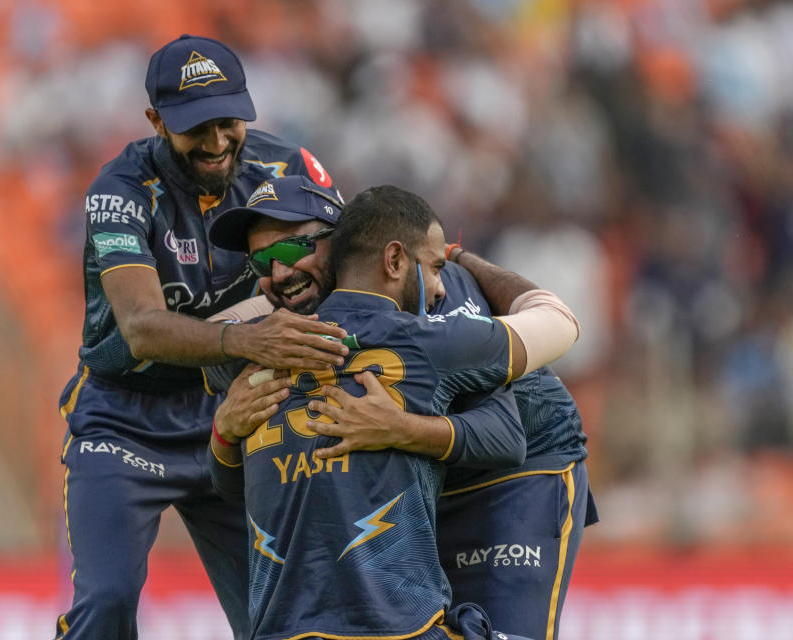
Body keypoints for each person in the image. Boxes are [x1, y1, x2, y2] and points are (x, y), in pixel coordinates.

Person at [208, 177, 597, 640]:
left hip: (517, 472)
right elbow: (232, 478)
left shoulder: (444, 296)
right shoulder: (268, 337)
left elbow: (507, 433)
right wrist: (224, 431)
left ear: (344, 243)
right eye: (261, 261)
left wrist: (399, 427)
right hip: (421, 483)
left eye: (291, 252)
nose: (277, 275)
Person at [54, 35, 350, 640]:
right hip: (122, 420)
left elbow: (351, 264)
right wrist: (251, 341)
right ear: (156, 121)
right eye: (196, 128)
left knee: (282, 615)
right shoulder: (119, 191)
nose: (217, 143)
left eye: (227, 122)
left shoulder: (290, 169)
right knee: (106, 604)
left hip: (233, 413)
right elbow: (140, 328)